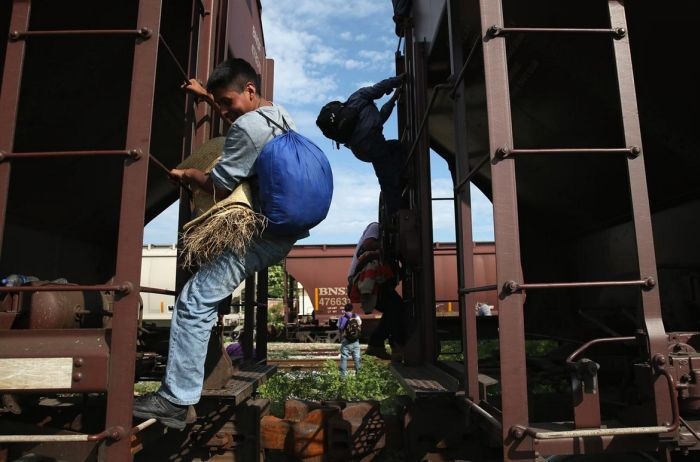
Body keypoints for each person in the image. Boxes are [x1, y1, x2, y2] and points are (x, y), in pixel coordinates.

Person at [133, 58, 304, 430]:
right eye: (220, 105)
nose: (225, 113)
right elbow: (243, 115)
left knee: (194, 301)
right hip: (282, 229)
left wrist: (187, 174)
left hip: (263, 233)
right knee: (203, 296)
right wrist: (209, 98)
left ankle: (175, 401)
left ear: (250, 91)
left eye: (227, 103)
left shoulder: (245, 129)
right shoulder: (278, 113)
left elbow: (218, 184)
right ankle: (183, 389)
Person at [341, 74, 406, 218]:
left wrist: (394, 98)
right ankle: (395, 214)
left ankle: (397, 181)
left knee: (394, 147)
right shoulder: (361, 95)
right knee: (387, 177)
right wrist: (398, 80)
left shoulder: (360, 111)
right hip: (372, 141)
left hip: (360, 150)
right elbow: (378, 88)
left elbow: (381, 117)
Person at [347, 222, 405, 360]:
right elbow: (367, 245)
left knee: (395, 309)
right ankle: (388, 344)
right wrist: (396, 248)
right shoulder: (375, 227)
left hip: (371, 279)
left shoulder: (381, 232)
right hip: (368, 278)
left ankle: (383, 344)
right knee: (397, 307)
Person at [338, 303, 362, 377]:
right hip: (355, 341)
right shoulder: (356, 316)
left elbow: (340, 328)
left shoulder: (342, 318)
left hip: (346, 341)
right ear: (352, 309)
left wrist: (342, 336)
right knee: (357, 358)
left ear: (345, 309)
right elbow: (360, 324)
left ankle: (343, 377)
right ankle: (359, 376)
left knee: (344, 357)